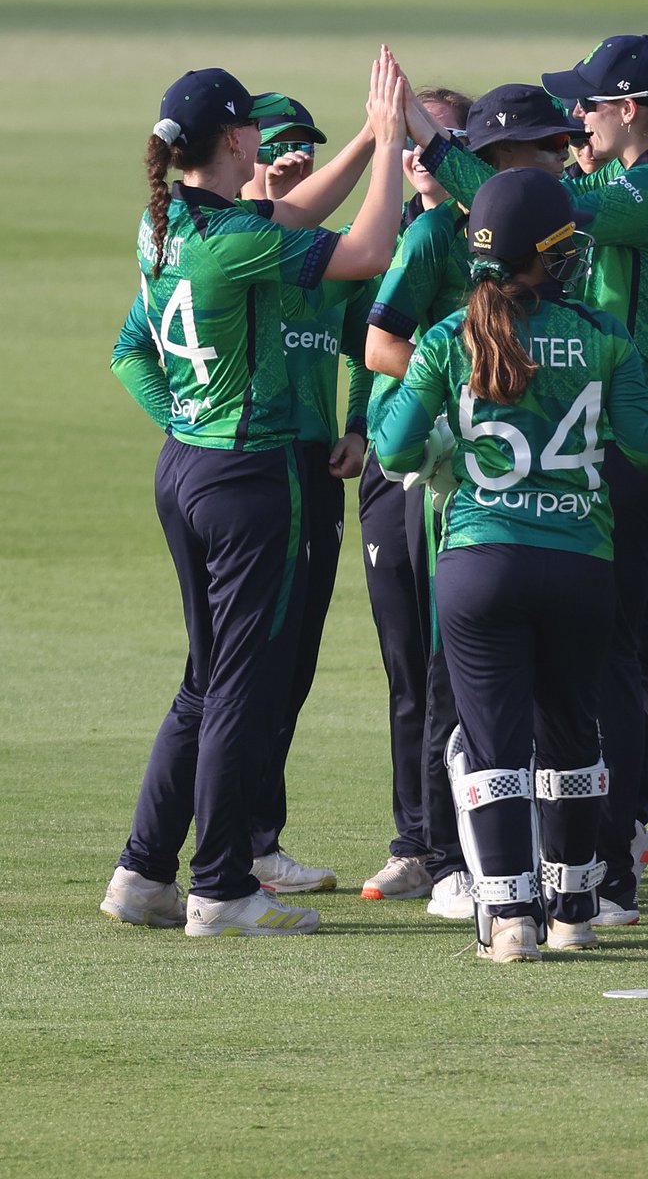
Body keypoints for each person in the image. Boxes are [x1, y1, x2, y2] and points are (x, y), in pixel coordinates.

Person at [400, 39, 648, 925]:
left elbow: (533, 214)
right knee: (639, 650)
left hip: (645, 437)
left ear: (633, 109)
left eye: (593, 107)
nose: (580, 120)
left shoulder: (647, 191)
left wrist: (430, 142)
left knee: (630, 654)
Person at [101, 53, 408, 937]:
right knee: (241, 684)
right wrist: (390, 146)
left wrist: (360, 139)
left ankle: (144, 871)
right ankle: (222, 887)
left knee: (203, 681)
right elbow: (369, 250)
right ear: (236, 138)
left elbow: (287, 213)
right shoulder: (234, 240)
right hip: (250, 478)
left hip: (186, 466)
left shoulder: (165, 225)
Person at [374, 167, 648, 961]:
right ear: (547, 254)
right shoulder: (603, 332)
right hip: (581, 562)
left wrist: (446, 444)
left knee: (491, 743)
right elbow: (647, 444)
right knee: (573, 733)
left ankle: (510, 919)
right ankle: (574, 907)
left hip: (480, 562)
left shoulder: (448, 336)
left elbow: (395, 446)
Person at [238, 93, 377, 896]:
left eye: (306, 149)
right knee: (242, 666)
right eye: (280, 147)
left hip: (312, 471)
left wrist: (356, 426)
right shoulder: (233, 248)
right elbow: (132, 349)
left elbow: (367, 343)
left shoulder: (328, 256)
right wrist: (183, 417)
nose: (294, 160)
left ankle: (258, 840)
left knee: (291, 666)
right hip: (251, 465)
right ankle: (237, 844)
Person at [357, 86, 474, 910]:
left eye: (434, 142)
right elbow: (364, 348)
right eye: (404, 141)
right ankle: (420, 842)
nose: (418, 158)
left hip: (464, 472)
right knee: (414, 667)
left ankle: (455, 845)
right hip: (404, 468)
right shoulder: (418, 238)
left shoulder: (468, 234)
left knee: (453, 667)